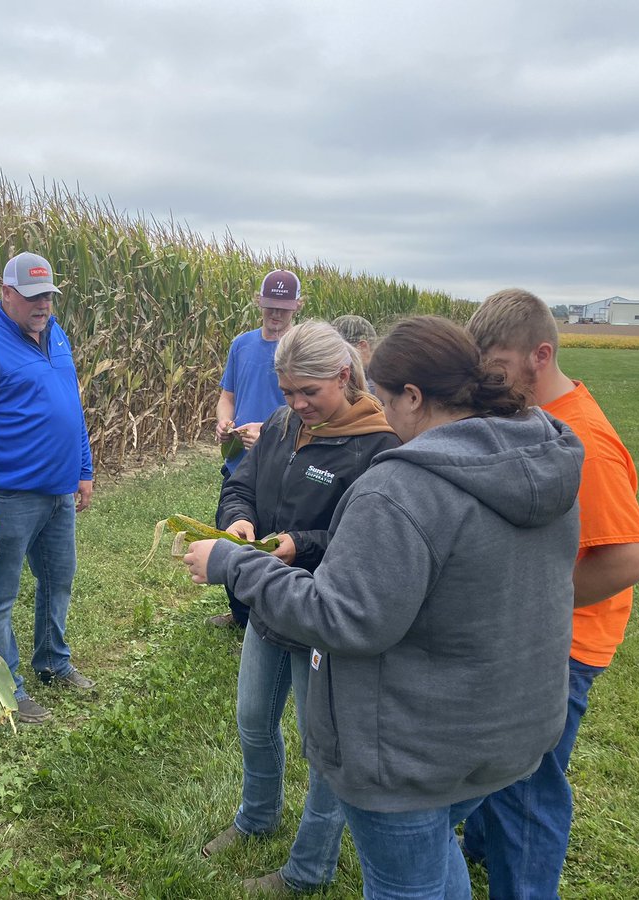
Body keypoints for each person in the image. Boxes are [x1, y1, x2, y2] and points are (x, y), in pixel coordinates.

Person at [184, 315, 584, 899]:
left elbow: (346, 616)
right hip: (505, 731)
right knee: (435, 860)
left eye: (386, 397)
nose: (384, 412)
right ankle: (261, 820)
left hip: (410, 752)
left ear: (414, 396)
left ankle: (308, 868)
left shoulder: (401, 481)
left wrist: (234, 564)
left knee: (406, 883)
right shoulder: (543, 458)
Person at [462, 288, 639, 899]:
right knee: (498, 761)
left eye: (495, 371)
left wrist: (532, 601)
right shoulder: (530, 418)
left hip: (562, 647)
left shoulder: (585, 442)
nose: (484, 385)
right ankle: (482, 850)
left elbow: (629, 557)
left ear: (539, 356)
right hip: (528, 635)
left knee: (529, 787)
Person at [201, 321, 400, 895]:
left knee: (324, 751)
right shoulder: (286, 426)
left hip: (324, 617)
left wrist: (300, 545)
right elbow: (240, 483)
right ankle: (256, 818)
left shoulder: (379, 446)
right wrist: (236, 521)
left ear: (345, 375)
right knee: (252, 721)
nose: (295, 404)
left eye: (308, 392)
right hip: (269, 602)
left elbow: (362, 541)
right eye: (287, 392)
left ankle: (308, 868)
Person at [0, 251, 95, 726]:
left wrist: (84, 468)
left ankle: (53, 661)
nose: (43, 306)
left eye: (48, 296)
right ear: (6, 293)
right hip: (11, 497)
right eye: (32, 297)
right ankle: (5, 686)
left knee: (59, 581)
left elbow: (71, 404)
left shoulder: (56, 335)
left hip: (58, 493)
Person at [210, 268, 304, 629]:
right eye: (269, 306)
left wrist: (267, 431)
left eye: (283, 306)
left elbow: (309, 409)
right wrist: (224, 421)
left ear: (298, 305)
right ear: (258, 302)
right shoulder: (242, 345)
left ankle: (268, 617)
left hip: (283, 462)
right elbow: (227, 396)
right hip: (238, 462)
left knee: (272, 541)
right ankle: (240, 614)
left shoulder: (301, 351)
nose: (276, 314)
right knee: (231, 531)